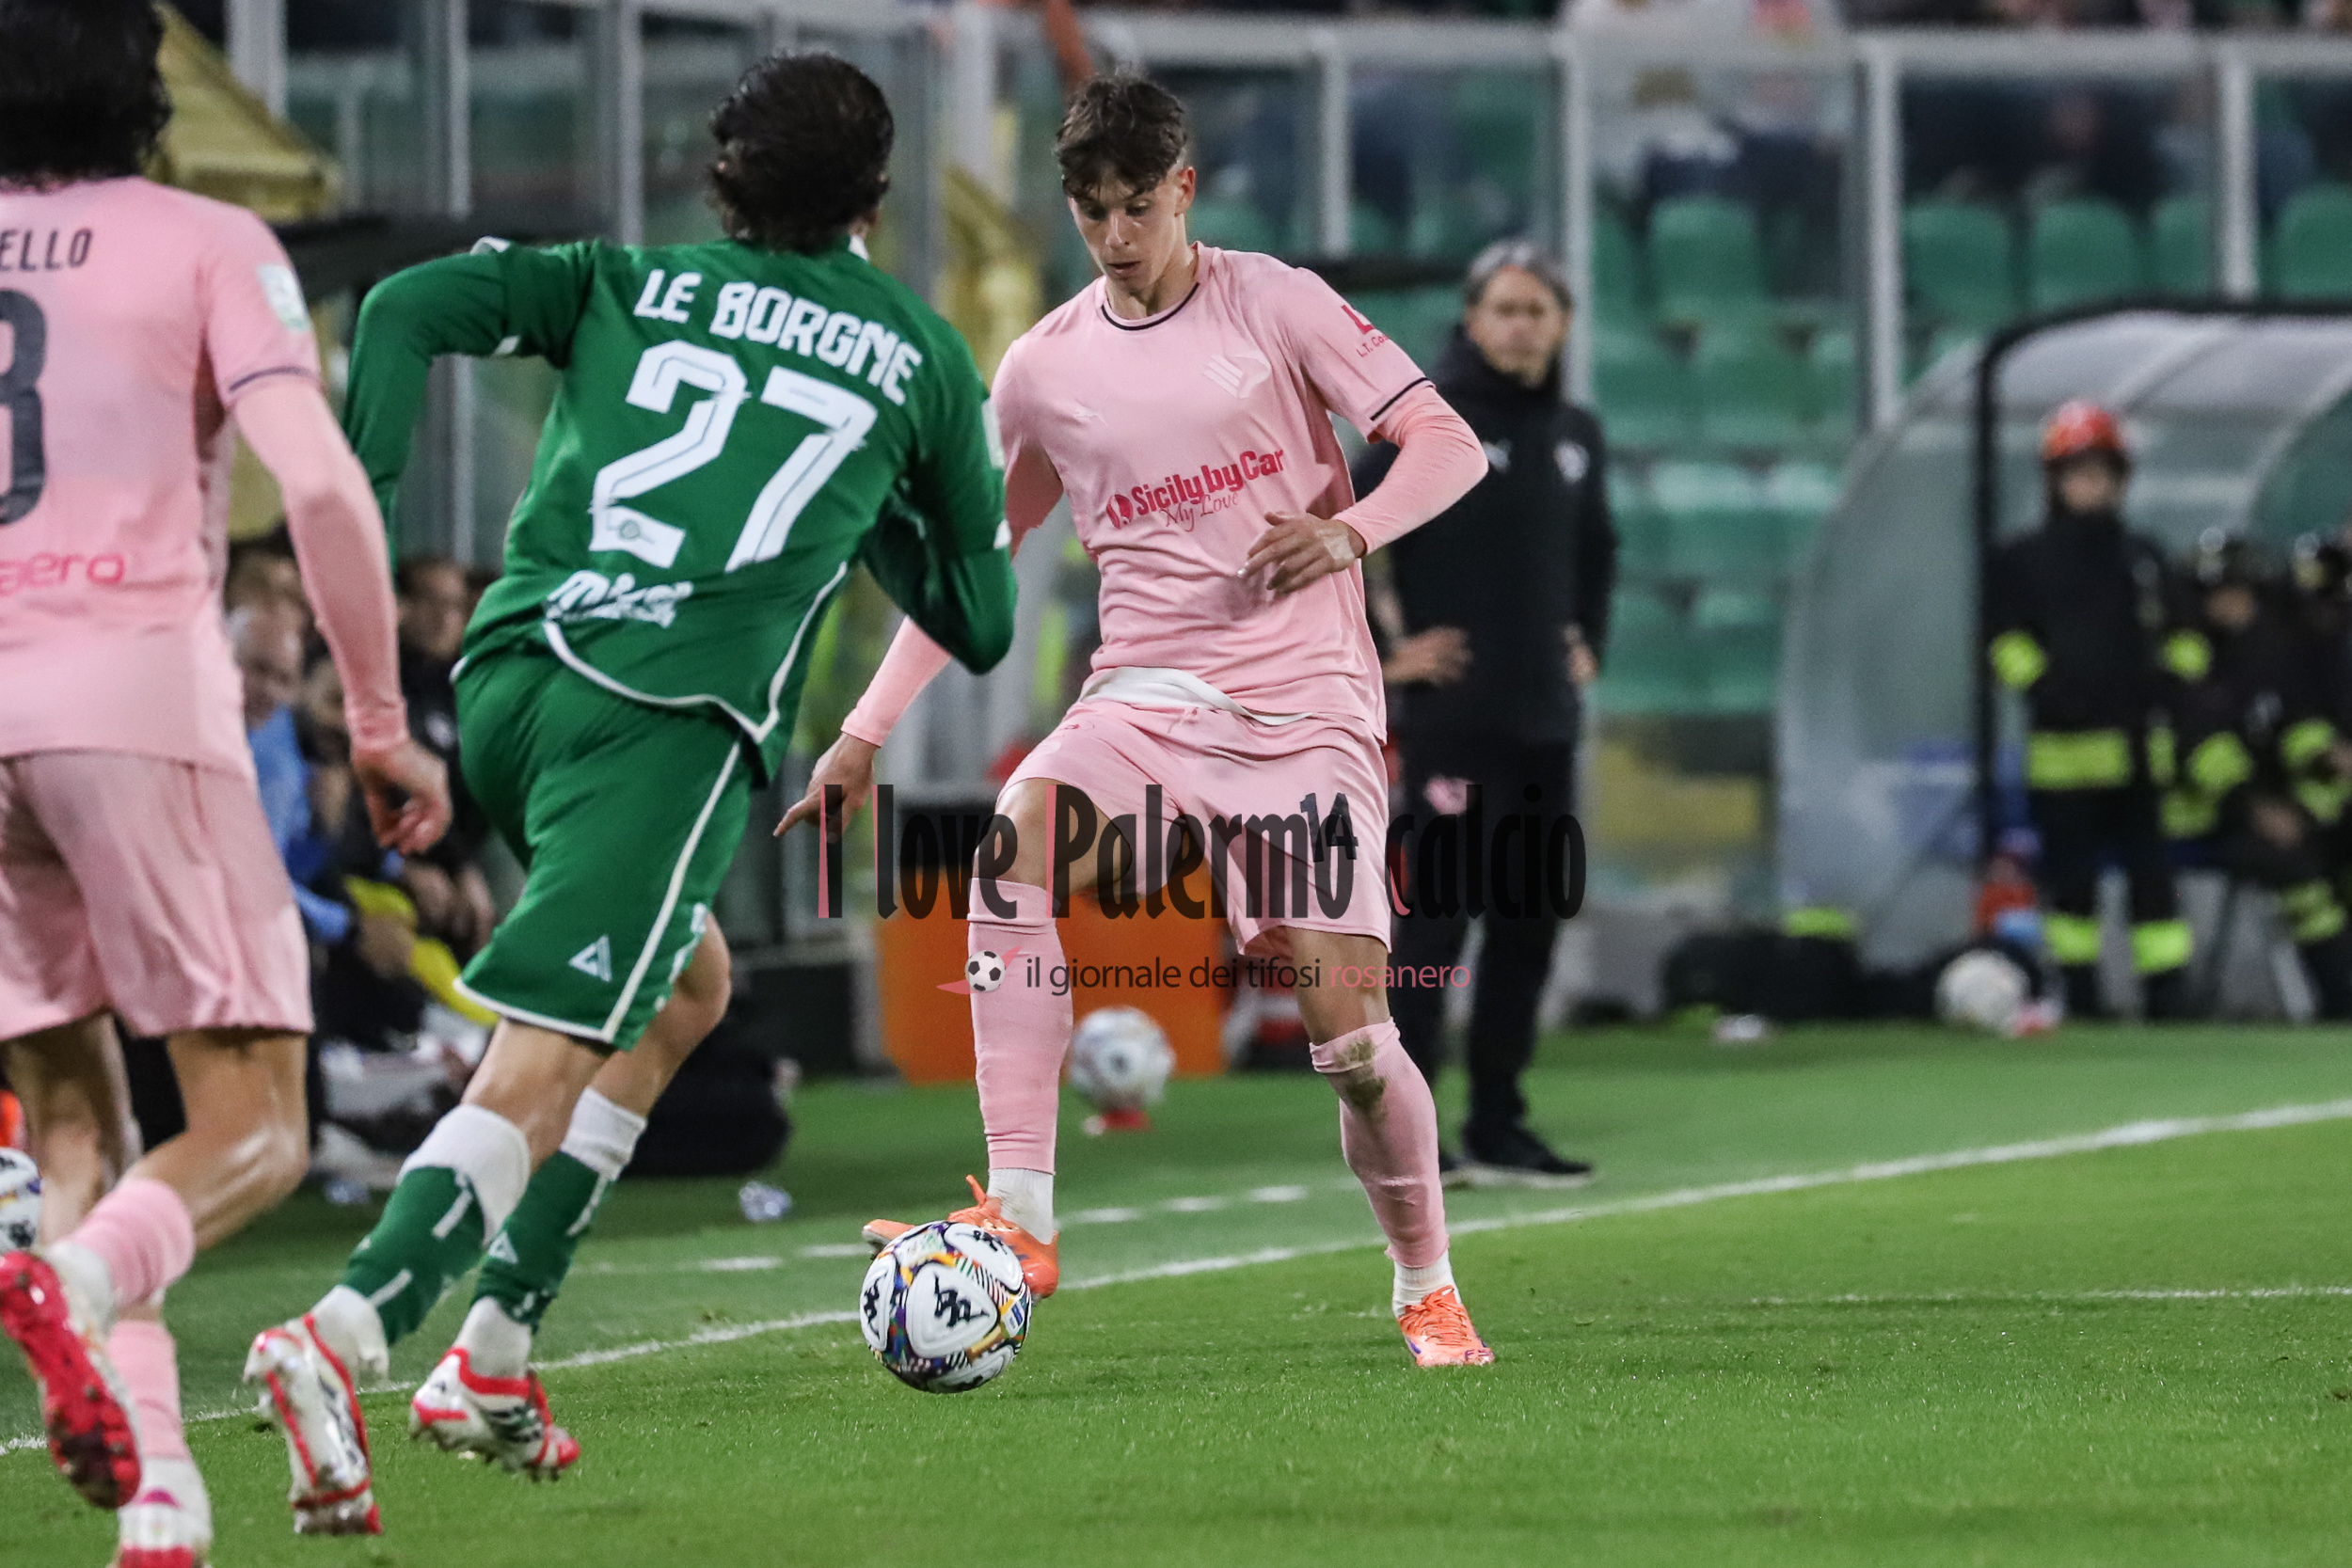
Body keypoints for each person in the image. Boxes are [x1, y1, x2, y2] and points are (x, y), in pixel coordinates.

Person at [245, 49, 1016, 1532]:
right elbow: (978, 622)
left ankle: (496, 1345)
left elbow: (400, 309)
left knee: (685, 989)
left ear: (720, 181)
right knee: (542, 1055)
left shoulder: (622, 277)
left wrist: (367, 534)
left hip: (510, 675)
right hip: (665, 721)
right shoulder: (918, 356)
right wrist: (880, 494)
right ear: (874, 195)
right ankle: (343, 1331)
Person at [788, 73, 1498, 1367]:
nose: (1115, 236)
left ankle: (1426, 1279)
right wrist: (863, 730)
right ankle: (1024, 1212)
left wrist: (1348, 530)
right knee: (1011, 851)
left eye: (1137, 207)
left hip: (1306, 709)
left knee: (1350, 1041)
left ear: (1183, 190)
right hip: (1146, 698)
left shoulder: (1273, 300)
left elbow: (1447, 443)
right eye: (1091, 210)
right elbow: (972, 562)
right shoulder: (1043, 368)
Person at [0, 7, 451, 1567]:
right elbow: (316, 481)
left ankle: (160, 1498)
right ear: (146, 93)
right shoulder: (205, 242)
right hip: (129, 694)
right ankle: (68, 1283)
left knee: (79, 1120)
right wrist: (379, 720)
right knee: (255, 1121)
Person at [1355, 241, 1611, 1187]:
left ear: (1563, 324)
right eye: (1504, 308)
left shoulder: (1576, 433)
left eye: (1538, 310)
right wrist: (1384, 657)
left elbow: (1598, 550)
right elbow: (1341, 531)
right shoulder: (1427, 423)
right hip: (1453, 723)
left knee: (1527, 927)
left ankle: (1500, 1121)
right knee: (1435, 928)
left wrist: (1588, 640)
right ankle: (1407, 1132)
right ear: (1471, 319)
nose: (1521, 326)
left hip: (1544, 722)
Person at [1985, 401, 2196, 1022]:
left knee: (2152, 884)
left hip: (2139, 749)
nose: (2091, 485)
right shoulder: (2022, 559)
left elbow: (2184, 636)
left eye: (2101, 473)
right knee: (2071, 885)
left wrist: (2169, 682)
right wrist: (2046, 687)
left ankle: (2168, 997)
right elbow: (2003, 641)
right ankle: (2080, 995)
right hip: (2064, 753)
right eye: (2078, 473)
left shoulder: (2144, 556)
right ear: (2055, 480)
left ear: (2120, 479)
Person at [2165, 534, 2352, 1019]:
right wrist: (2254, 807)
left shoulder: (2269, 652)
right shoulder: (2192, 662)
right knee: (2298, 871)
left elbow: (2291, 726)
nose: (2233, 604)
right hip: (2215, 814)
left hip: (2279, 800)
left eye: (2241, 592)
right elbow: (2201, 750)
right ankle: (2341, 1000)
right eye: (2220, 594)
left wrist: (2326, 758)